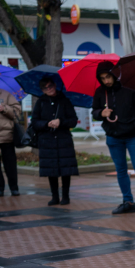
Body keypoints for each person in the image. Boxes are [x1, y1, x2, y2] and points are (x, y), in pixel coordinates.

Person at [91, 61, 135, 216]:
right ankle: (128, 202)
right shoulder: (100, 92)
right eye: (102, 78)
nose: (106, 80)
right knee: (121, 170)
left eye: (108, 76)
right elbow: (94, 111)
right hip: (113, 137)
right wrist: (101, 113)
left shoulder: (129, 88)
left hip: (133, 136)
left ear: (114, 74)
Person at [32, 77, 79, 206]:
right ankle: (54, 196)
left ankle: (65, 196)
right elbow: (35, 122)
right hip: (47, 141)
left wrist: (61, 122)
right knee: (50, 169)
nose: (49, 89)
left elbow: (73, 120)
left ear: (55, 85)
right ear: (42, 90)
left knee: (65, 169)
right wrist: (47, 124)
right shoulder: (40, 102)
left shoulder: (64, 101)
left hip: (63, 140)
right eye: (46, 88)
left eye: (51, 86)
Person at [0, 84, 22, 197]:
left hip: (7, 135)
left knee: (10, 164)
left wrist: (4, 108)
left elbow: (17, 112)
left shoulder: (5, 94)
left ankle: (14, 188)